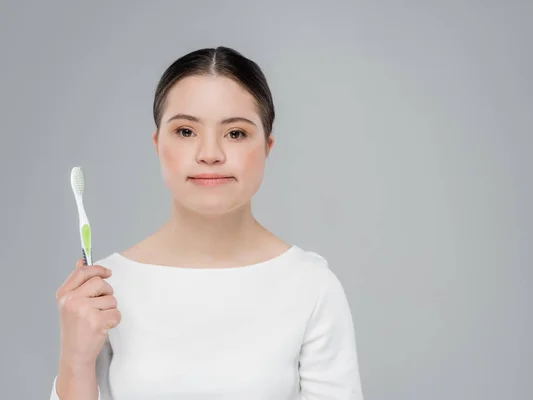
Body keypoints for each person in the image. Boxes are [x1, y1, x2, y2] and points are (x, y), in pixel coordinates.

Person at [50, 46, 363, 400]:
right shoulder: (104, 290)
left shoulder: (312, 286)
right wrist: (74, 360)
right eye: (186, 131)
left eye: (236, 133)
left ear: (267, 147)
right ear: (157, 144)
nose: (210, 153)